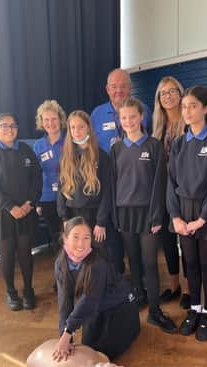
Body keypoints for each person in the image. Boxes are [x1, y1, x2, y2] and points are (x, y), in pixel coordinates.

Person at [167, 86, 207, 342]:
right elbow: (170, 182)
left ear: (206, 108)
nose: (187, 111)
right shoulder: (179, 143)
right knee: (190, 263)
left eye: (193, 105)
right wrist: (176, 217)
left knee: (206, 264)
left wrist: (202, 218)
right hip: (183, 213)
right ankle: (194, 309)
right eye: (184, 106)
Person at [110, 97, 177, 333]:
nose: (128, 121)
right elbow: (112, 184)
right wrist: (115, 216)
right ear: (120, 120)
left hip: (148, 213)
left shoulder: (154, 145)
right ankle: (138, 296)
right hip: (124, 213)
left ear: (141, 117)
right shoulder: (116, 148)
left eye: (132, 116)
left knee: (150, 262)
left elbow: (160, 184)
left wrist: (158, 216)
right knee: (134, 260)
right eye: (123, 117)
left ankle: (155, 311)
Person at [0, 112, 42, 311]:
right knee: (6, 253)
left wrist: (29, 203)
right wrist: (10, 207)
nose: (9, 129)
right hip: (2, 213)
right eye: (4, 126)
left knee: (25, 252)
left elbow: (37, 178)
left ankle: (28, 290)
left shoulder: (25, 150)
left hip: (25, 210)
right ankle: (11, 292)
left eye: (13, 126)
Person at [90, 68, 151, 275]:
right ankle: (116, 278)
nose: (119, 90)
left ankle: (140, 280)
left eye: (123, 85)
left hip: (136, 183)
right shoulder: (97, 114)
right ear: (107, 89)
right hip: (107, 184)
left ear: (130, 88)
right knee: (113, 239)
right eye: (114, 87)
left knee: (139, 243)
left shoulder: (144, 110)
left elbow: (148, 144)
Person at [54, 216, 140, 361]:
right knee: (88, 346)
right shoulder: (60, 263)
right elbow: (64, 300)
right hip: (97, 307)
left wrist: (68, 333)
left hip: (118, 306)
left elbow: (89, 299)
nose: (81, 244)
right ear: (65, 238)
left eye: (86, 238)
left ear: (91, 240)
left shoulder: (97, 263)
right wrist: (64, 335)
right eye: (75, 237)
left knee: (101, 355)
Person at [151, 76, 191, 309]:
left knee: (184, 240)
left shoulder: (188, 123)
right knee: (167, 240)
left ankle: (188, 288)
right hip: (163, 192)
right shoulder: (157, 127)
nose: (168, 96)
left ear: (180, 93)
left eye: (172, 91)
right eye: (163, 93)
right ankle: (174, 284)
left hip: (185, 191)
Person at [57, 110, 111, 247]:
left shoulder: (101, 156)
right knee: (77, 255)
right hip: (72, 215)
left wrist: (101, 222)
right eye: (73, 127)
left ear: (88, 128)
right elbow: (61, 189)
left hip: (95, 215)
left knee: (97, 256)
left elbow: (107, 192)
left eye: (81, 126)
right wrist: (64, 218)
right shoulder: (66, 157)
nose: (77, 131)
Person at [33, 100, 66, 292]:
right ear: (41, 122)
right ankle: (62, 277)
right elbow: (35, 176)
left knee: (71, 237)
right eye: (46, 120)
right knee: (56, 241)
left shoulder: (69, 140)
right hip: (47, 198)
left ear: (60, 119)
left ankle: (78, 275)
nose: (50, 123)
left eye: (54, 119)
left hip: (68, 197)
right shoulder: (38, 145)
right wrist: (37, 201)